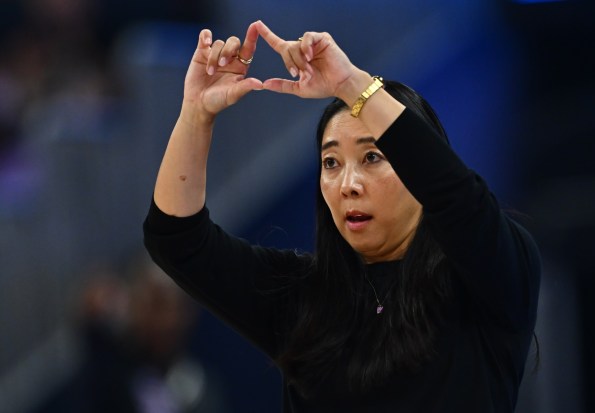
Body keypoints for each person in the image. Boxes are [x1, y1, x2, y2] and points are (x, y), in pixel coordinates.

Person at [143, 20, 541, 412]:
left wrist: (352, 84)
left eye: (372, 157)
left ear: (420, 165)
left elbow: (459, 197)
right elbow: (177, 239)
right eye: (331, 162)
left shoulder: (488, 278)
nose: (348, 183)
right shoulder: (304, 298)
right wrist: (195, 115)